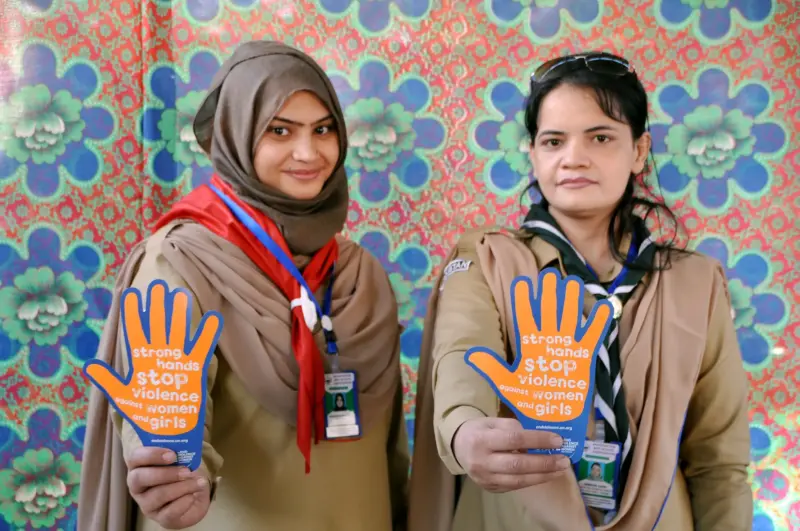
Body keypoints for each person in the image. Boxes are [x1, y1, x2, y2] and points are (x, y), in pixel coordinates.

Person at [408, 51, 752, 531]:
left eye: (601, 137)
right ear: (534, 154)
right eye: (553, 141)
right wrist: (466, 431)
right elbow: (463, 353)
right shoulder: (485, 260)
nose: (573, 158)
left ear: (638, 150)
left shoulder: (696, 284)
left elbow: (719, 462)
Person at [78, 40, 409, 531]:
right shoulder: (182, 260)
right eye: (280, 130)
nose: (308, 152)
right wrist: (169, 472)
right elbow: (164, 413)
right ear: (234, 133)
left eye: (323, 130)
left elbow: (389, 443)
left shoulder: (359, 271)